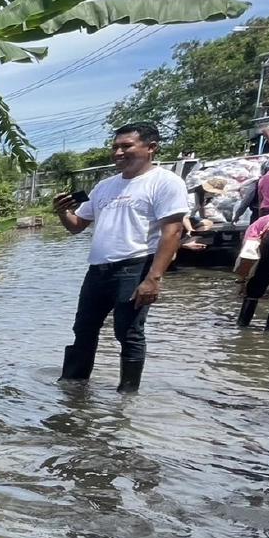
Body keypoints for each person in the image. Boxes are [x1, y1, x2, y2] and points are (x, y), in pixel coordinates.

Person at [52, 121, 189, 393]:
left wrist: (153, 279)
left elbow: (172, 232)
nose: (117, 152)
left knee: (128, 333)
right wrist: (61, 211)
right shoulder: (104, 186)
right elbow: (77, 226)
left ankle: (127, 395)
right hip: (98, 271)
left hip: (135, 267)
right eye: (115, 147)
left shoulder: (165, 182)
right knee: (83, 329)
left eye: (126, 146)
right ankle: (72, 386)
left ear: (150, 148)